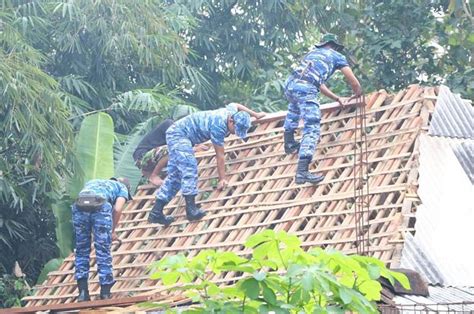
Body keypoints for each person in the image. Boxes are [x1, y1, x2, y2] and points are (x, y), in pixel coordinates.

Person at [147, 103, 266, 226]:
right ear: (231, 121)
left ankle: (156, 212)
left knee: (175, 176)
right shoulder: (219, 126)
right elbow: (220, 155)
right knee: (189, 168)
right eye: (236, 130)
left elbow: (236, 105)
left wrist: (256, 115)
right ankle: (191, 210)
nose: (235, 133)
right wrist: (222, 179)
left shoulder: (231, 112)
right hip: (179, 135)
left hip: (179, 135)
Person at [283, 33, 362, 184]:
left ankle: (289, 142)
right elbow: (352, 81)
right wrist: (358, 93)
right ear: (334, 46)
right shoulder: (337, 56)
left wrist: (337, 98)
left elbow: (316, 81)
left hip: (290, 85)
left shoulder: (311, 54)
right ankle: (302, 171)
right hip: (306, 88)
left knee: (294, 108)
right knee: (312, 127)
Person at [73, 177, 132, 301]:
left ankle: (83, 292)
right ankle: (105, 292)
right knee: (102, 250)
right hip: (100, 206)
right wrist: (112, 231)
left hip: (80, 206)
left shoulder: (93, 182)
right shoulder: (122, 188)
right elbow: (117, 209)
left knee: (81, 250)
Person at [133, 105, 208, 186]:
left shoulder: (184, 135)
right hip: (142, 157)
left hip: (154, 160)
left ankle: (151, 173)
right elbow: (178, 144)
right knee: (176, 149)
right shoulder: (169, 124)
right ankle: (154, 176)